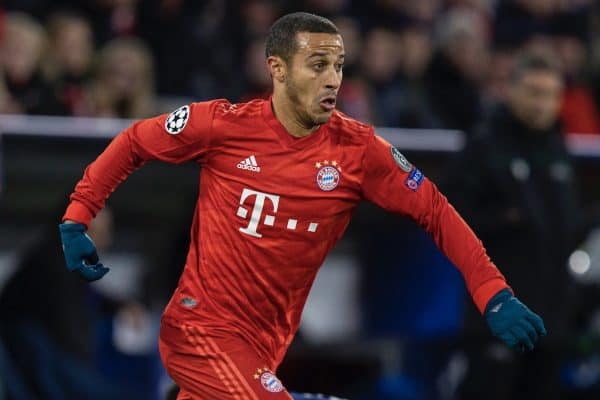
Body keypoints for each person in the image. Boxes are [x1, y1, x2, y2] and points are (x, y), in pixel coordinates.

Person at [58, 12, 546, 399]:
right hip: (200, 330)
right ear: (278, 69)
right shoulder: (223, 126)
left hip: (267, 345)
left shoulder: (360, 152)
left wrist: (493, 292)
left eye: (338, 66)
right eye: (318, 65)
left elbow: (435, 212)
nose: (333, 79)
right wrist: (79, 215)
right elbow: (134, 141)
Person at [446, 50, 584, 400]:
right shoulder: (484, 146)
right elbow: (451, 219)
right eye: (535, 92)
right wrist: (507, 222)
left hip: (551, 320)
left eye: (551, 95)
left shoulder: (558, 150)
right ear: (510, 90)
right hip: (497, 319)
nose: (543, 103)